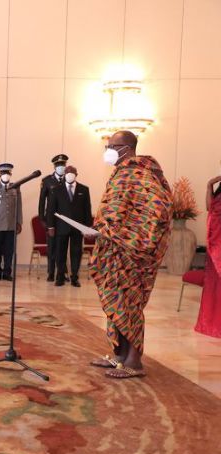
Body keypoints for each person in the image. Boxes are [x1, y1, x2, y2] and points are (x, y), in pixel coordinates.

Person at [89, 130, 172, 379]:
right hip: (114, 249)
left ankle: (134, 362)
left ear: (126, 148)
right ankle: (120, 355)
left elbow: (158, 209)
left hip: (132, 252)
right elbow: (115, 209)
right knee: (117, 302)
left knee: (131, 303)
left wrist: (127, 235)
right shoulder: (121, 172)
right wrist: (103, 230)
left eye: (112, 146)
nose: (107, 150)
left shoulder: (141, 173)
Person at [46, 165, 93, 287]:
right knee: (60, 253)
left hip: (78, 228)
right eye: (67, 172)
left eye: (72, 172)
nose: (70, 174)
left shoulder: (84, 189)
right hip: (61, 227)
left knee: (76, 252)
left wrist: (87, 228)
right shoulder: (56, 189)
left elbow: (87, 210)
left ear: (76, 174)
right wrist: (50, 226)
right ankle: (60, 277)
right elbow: (51, 209)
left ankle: (75, 277)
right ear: (64, 175)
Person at [194, 174, 221, 337]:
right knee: (214, 282)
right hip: (215, 239)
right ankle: (212, 321)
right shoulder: (219, 187)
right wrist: (209, 185)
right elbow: (209, 207)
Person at [0, 163, 22, 281]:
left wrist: (19, 222)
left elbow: (19, 206)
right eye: (3, 173)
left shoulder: (15, 188)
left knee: (9, 251)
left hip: (11, 224)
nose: (5, 175)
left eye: (7, 173)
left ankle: (7, 272)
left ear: (10, 174)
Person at [38, 154, 68, 282]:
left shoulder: (69, 179)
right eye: (59, 165)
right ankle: (51, 272)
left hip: (65, 219)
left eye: (63, 164)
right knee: (51, 247)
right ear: (54, 166)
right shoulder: (47, 181)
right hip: (51, 219)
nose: (61, 167)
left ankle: (63, 272)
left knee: (63, 247)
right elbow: (42, 201)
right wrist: (42, 219)